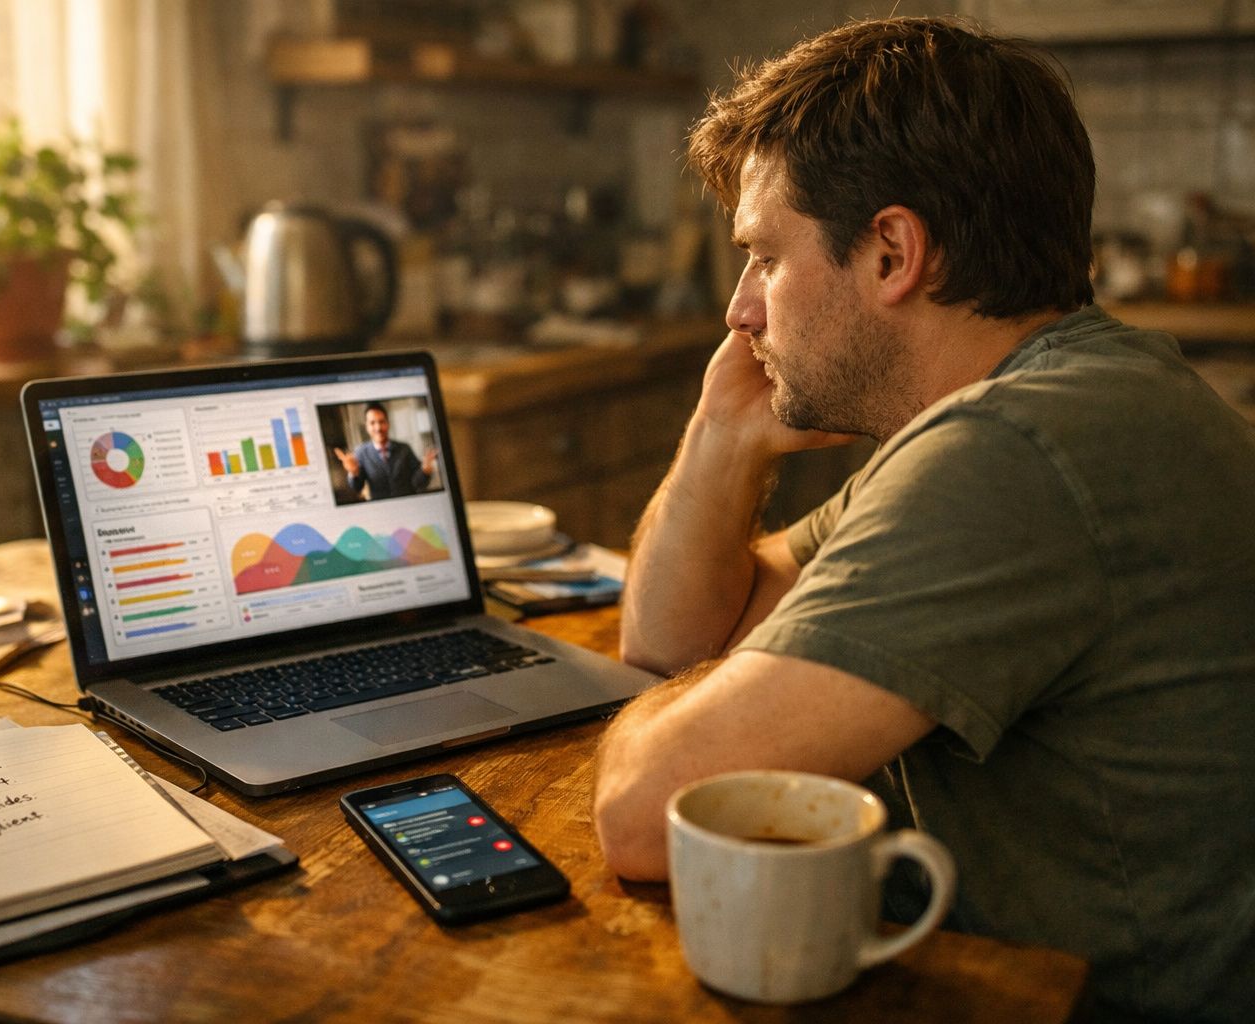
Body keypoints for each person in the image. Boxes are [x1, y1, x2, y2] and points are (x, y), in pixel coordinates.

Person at [590, 17, 1255, 1023]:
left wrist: (681, 711)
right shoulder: (1040, 399)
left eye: (764, 257)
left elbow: (643, 810)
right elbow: (677, 635)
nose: (740, 310)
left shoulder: (1017, 451)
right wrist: (721, 438)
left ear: (895, 251)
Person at [333, 402, 437, 499]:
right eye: (372, 423)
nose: (378, 427)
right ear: (367, 427)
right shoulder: (361, 453)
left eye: (381, 422)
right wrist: (353, 473)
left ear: (388, 424)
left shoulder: (404, 448)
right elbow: (357, 487)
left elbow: (417, 483)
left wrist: (425, 470)